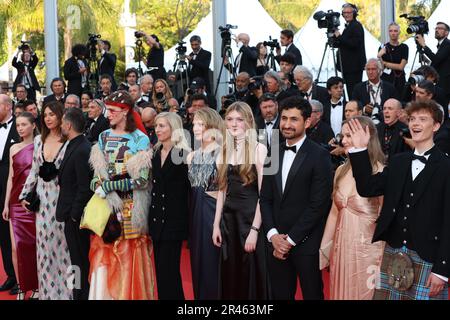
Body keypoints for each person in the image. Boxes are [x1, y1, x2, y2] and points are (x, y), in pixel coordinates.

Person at [347, 100, 450, 300]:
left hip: (428, 256)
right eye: (412, 119)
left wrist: (442, 270)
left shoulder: (446, 167)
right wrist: (359, 150)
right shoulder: (398, 161)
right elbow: (368, 187)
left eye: (422, 119)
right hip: (393, 250)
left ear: (436, 125)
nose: (415, 124)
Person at [260, 95, 333, 300]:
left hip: (306, 242)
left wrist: (289, 240)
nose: (287, 124)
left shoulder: (320, 156)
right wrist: (273, 235)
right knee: (279, 295)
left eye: (294, 119)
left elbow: (318, 205)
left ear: (307, 122)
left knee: (312, 295)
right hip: (275, 242)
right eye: (284, 118)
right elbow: (265, 198)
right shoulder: (272, 152)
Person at [88, 91, 155, 300]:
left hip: (130, 206)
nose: (108, 114)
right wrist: (98, 185)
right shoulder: (103, 136)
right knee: (104, 255)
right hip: (106, 208)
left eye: (113, 111)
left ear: (125, 111)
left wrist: (109, 186)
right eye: (108, 110)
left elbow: (142, 181)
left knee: (128, 255)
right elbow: (95, 176)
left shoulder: (141, 139)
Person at [320, 116, 385, 300]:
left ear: (367, 137)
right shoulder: (341, 171)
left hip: (370, 254)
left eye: (350, 135)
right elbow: (334, 213)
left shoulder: (380, 172)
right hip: (342, 249)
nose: (344, 140)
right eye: (343, 135)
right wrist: (324, 250)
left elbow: (385, 218)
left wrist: (383, 259)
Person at [212, 101, 269, 299]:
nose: (234, 124)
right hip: (229, 222)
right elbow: (222, 190)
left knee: (249, 275)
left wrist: (254, 231)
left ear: (248, 122)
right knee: (231, 273)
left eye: (239, 120)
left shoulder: (259, 149)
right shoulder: (224, 149)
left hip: (250, 220)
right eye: (229, 119)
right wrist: (216, 225)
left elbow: (264, 196)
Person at [19, 101, 72, 300]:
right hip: (42, 200)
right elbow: (34, 170)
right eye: (46, 115)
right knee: (44, 250)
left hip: (61, 199)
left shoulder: (69, 140)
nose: (48, 118)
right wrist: (25, 194)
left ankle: (67, 294)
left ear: (60, 116)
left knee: (63, 249)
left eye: (52, 114)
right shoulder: (39, 139)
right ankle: (48, 295)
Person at [148, 112, 191, 300]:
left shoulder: (183, 155)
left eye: (162, 126)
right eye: (156, 126)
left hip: (174, 220)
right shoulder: (155, 153)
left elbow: (190, 190)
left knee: (170, 271)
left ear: (173, 128)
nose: (158, 129)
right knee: (161, 272)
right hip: (157, 220)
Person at [56, 108, 93, 300]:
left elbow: (84, 187)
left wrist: (73, 215)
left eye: (62, 122)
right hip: (71, 214)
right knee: (76, 260)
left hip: (76, 217)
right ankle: (78, 294)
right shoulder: (74, 145)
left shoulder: (81, 149)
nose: (61, 125)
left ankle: (81, 296)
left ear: (68, 125)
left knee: (79, 261)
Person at [1, 112, 38, 300]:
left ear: (33, 125)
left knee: (34, 246)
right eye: (18, 125)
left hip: (33, 203)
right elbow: (10, 178)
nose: (20, 128)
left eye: (24, 124)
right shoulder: (13, 148)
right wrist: (6, 203)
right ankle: (22, 287)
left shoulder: (40, 146)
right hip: (15, 203)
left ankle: (38, 287)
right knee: (16, 248)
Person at [187, 108, 223, 300]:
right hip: (195, 212)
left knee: (212, 264)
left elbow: (226, 191)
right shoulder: (191, 156)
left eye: (201, 124)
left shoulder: (223, 154)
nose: (196, 127)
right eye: (194, 123)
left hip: (213, 212)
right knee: (197, 263)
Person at [0, 94, 20, 294]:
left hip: (13, 188)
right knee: (2, 235)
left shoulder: (20, 127)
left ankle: (22, 277)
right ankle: (10, 275)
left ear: (7, 106)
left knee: (16, 235)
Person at [333, 3, 366, 98]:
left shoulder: (356, 25)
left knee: (353, 93)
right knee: (350, 92)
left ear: (354, 13)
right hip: (348, 67)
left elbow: (354, 43)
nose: (346, 14)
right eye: (344, 13)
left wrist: (340, 36)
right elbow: (343, 44)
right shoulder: (349, 26)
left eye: (349, 12)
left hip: (353, 67)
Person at [352, 58, 398, 125]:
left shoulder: (390, 88)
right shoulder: (358, 88)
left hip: (386, 124)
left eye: (373, 69)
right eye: (368, 69)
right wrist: (364, 109)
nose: (370, 72)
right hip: (365, 124)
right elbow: (353, 107)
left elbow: (397, 105)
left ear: (379, 70)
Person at [416, 22, 450, 99]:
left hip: (444, 85)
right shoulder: (441, 45)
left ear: (447, 32)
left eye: (440, 28)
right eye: (436, 28)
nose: (437, 30)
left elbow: (436, 59)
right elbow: (439, 62)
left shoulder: (447, 44)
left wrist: (424, 45)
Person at [378, 23, 409, 96]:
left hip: (400, 79)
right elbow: (381, 68)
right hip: (386, 79)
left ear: (399, 32)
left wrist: (385, 63)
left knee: (399, 101)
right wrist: (379, 57)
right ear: (388, 32)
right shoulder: (383, 47)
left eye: (395, 31)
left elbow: (401, 67)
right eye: (391, 31)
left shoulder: (404, 47)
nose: (393, 33)